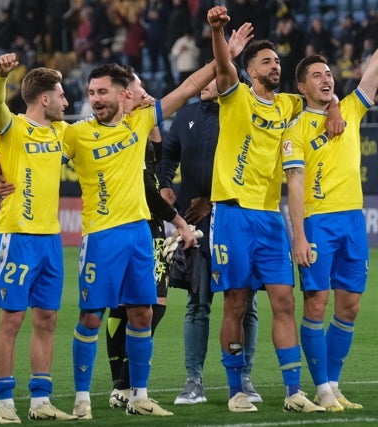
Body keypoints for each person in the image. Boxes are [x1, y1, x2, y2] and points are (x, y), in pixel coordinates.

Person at [66, 23, 254, 418]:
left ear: (123, 95)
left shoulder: (138, 123)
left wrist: (227, 54)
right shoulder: (76, 135)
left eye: (102, 92)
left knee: (143, 313)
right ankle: (82, 398)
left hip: (138, 234)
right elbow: (34, 144)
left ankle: (139, 395)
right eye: (91, 93)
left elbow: (187, 88)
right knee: (90, 315)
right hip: (100, 236)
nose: (94, 100)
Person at [206, 5, 343, 413]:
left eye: (278, 61)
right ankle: (235, 390)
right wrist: (218, 34)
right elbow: (222, 68)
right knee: (236, 301)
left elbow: (321, 94)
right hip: (232, 212)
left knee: (284, 300)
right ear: (249, 70)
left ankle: (293, 392)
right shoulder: (235, 95)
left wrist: (334, 104)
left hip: (269, 217)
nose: (275, 65)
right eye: (267, 61)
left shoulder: (288, 105)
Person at [282, 0, 378, 412]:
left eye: (328, 73)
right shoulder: (296, 129)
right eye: (316, 75)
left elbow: (376, 65)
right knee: (316, 303)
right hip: (319, 224)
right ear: (302, 87)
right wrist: (299, 236)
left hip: (353, 221)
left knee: (350, 304)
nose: (326, 79)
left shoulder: (351, 109)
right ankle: (320, 387)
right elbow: (295, 186)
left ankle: (334, 383)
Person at [156, 78, 262, 406]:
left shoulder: (245, 114)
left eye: (214, 77)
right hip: (195, 221)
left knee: (245, 303)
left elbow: (256, 169)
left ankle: (243, 375)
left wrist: (213, 202)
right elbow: (167, 154)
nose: (205, 83)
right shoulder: (187, 115)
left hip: (238, 220)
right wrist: (164, 184)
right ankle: (194, 380)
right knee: (197, 303)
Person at [0, 53, 76, 424]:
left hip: (50, 240)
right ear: (45, 99)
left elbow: (99, 130)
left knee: (48, 319)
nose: (66, 102)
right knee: (12, 320)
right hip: (17, 235)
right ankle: (5, 401)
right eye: (61, 95)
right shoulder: (14, 128)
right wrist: (0, 76)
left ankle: (41, 401)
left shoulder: (61, 132)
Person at [104, 127, 199, 408]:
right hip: (142, 228)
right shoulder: (127, 143)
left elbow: (157, 147)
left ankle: (120, 386)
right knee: (152, 304)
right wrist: (178, 223)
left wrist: (150, 117)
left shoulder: (139, 142)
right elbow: (148, 194)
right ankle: (124, 383)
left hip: (132, 227)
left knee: (124, 305)